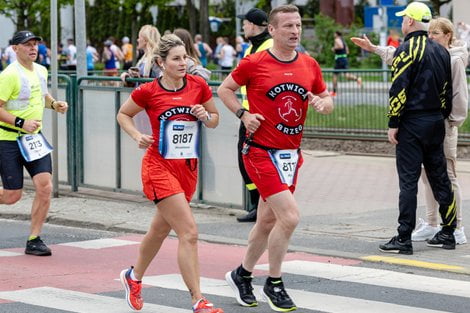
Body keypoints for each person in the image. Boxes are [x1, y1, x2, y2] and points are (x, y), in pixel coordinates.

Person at [217, 5, 333, 312]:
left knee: (268, 219)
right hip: (259, 151)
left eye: (297, 25)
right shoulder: (254, 63)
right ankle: (274, 282)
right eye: (288, 27)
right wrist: (243, 114)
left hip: (290, 155)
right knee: (290, 217)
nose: (295, 31)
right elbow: (225, 89)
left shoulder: (309, 64)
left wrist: (323, 104)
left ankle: (241, 275)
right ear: (272, 30)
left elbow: (326, 97)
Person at [116, 34, 223, 313]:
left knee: (160, 229)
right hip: (158, 167)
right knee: (189, 232)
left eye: (185, 57)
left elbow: (214, 120)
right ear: (161, 63)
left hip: (187, 167)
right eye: (176, 58)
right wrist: (137, 135)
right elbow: (123, 114)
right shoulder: (148, 91)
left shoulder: (198, 85)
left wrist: (204, 115)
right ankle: (198, 300)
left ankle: (133, 277)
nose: (183, 62)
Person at [351, 17, 468, 247]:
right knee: (437, 178)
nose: (431, 36)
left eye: (436, 33)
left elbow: (399, 87)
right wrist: (374, 48)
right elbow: (444, 92)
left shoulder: (433, 54)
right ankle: (445, 229)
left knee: (414, 180)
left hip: (422, 123)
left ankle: (408, 235)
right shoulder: (442, 54)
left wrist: (393, 122)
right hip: (436, 122)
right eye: (430, 32)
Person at [0, 30, 68, 256]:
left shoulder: (41, 70)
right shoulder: (9, 75)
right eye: (27, 44)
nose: (33, 48)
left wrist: (55, 104)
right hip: (8, 139)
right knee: (12, 196)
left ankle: (34, 239)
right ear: (15, 48)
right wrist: (20, 122)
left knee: (45, 187)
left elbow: (42, 97)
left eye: (35, 44)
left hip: (33, 138)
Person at [235, 8, 273, 223]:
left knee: (257, 161)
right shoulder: (251, 47)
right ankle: (256, 205)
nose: (243, 26)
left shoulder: (267, 47)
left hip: (260, 117)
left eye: (245, 23)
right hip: (248, 115)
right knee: (245, 161)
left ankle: (263, 207)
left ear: (253, 25)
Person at [330, 31, 361, 97]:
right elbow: (347, 51)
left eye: (334, 33)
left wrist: (334, 48)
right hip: (344, 59)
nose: (333, 35)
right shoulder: (343, 41)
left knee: (335, 75)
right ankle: (357, 79)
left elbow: (340, 46)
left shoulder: (337, 39)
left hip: (339, 60)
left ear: (336, 34)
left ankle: (334, 92)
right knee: (347, 75)